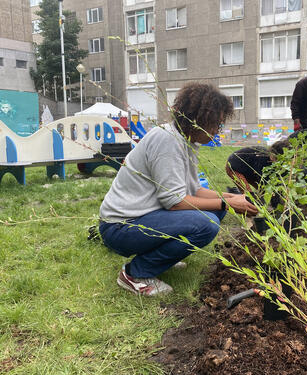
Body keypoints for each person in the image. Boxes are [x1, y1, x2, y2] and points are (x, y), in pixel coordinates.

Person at [98, 83, 257, 296]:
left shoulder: (185, 141)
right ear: (199, 119)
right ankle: (135, 274)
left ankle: (161, 258)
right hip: (120, 227)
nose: (217, 131)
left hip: (144, 217)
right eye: (216, 125)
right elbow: (174, 202)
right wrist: (227, 202)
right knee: (206, 225)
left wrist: (231, 198)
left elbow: (194, 190)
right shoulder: (167, 141)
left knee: (216, 210)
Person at [225, 139, 290, 192]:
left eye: (276, 158)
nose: (272, 158)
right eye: (273, 156)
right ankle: (234, 193)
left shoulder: (282, 164)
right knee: (248, 194)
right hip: (234, 166)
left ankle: (235, 192)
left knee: (261, 192)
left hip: (249, 170)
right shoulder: (262, 157)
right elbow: (262, 181)